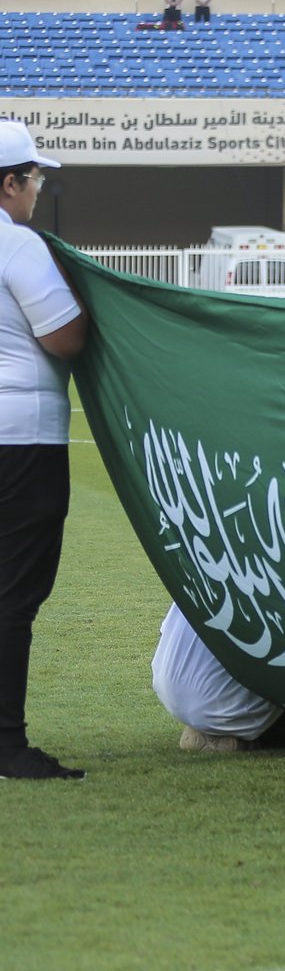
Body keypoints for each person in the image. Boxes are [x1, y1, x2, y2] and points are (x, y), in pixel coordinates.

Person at [0, 121, 89, 780]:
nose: (38, 190)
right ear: (10, 183)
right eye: (34, 179)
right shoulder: (18, 245)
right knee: (13, 596)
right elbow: (65, 337)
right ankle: (6, 744)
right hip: (22, 438)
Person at [152, 604, 281, 752]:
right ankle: (228, 732)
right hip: (227, 706)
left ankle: (208, 726)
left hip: (168, 688)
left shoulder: (196, 581)